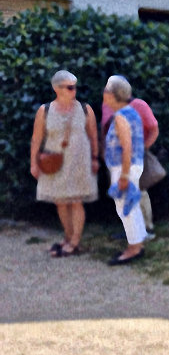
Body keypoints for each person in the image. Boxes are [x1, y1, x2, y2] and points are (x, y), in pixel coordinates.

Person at [30, 70, 98, 258]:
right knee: (60, 201)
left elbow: (93, 136)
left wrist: (94, 158)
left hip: (79, 161)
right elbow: (36, 138)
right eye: (69, 87)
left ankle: (75, 242)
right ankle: (68, 237)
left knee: (76, 201)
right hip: (55, 161)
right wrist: (34, 163)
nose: (73, 90)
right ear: (57, 88)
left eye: (74, 87)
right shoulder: (45, 111)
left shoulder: (85, 109)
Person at [101, 75, 159, 239]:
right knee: (124, 197)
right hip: (116, 160)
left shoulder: (137, 106)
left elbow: (154, 129)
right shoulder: (107, 107)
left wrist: (143, 148)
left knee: (137, 192)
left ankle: (145, 229)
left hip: (130, 159)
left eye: (107, 89)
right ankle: (132, 232)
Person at [103, 76, 148, 265]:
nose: (103, 93)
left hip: (124, 167)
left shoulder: (121, 116)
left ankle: (133, 248)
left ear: (113, 95)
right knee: (132, 204)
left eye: (106, 90)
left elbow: (127, 148)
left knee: (125, 207)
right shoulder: (131, 112)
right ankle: (138, 243)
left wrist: (123, 175)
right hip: (131, 166)